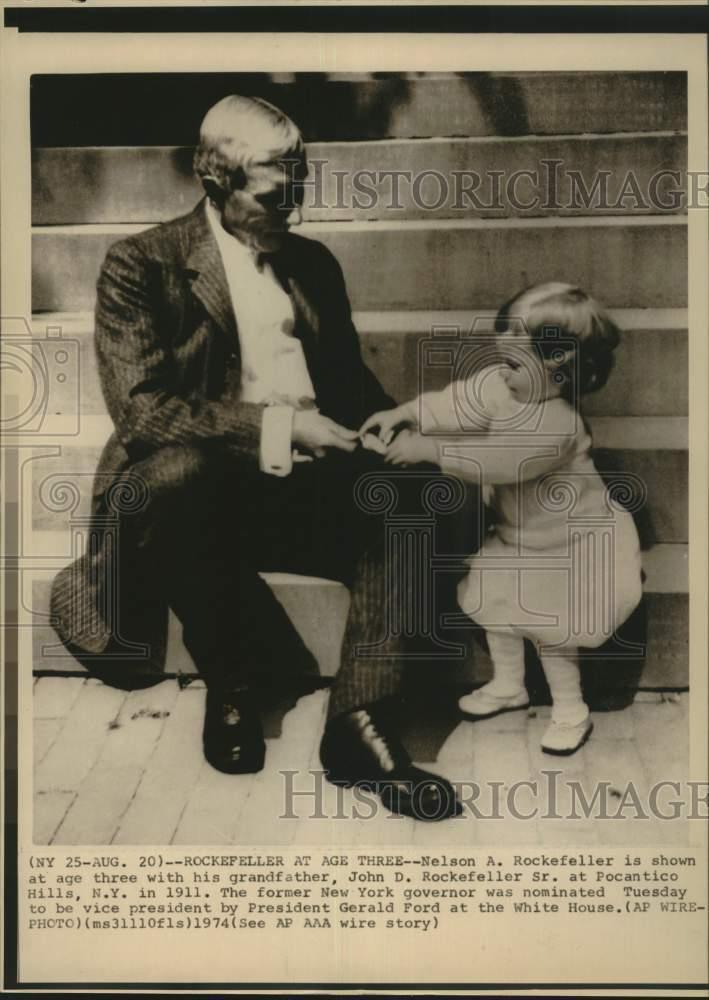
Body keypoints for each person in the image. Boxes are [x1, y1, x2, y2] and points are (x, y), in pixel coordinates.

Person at [50, 94, 470, 821]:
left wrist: (391, 431)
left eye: (300, 191)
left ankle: (357, 724)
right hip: (191, 495)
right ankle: (233, 681)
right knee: (182, 475)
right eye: (277, 196)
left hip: (298, 488)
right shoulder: (141, 265)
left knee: (415, 496)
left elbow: (346, 385)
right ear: (216, 180)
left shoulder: (311, 264)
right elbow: (145, 414)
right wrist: (281, 429)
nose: (293, 212)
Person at [361, 282, 643, 755]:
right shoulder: (504, 388)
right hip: (516, 539)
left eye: (514, 364)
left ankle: (570, 708)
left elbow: (498, 461)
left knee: (554, 632)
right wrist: (406, 413)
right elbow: (458, 401)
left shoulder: (557, 426)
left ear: (559, 370)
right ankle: (509, 684)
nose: (502, 372)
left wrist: (427, 450)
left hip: (568, 547)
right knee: (500, 614)